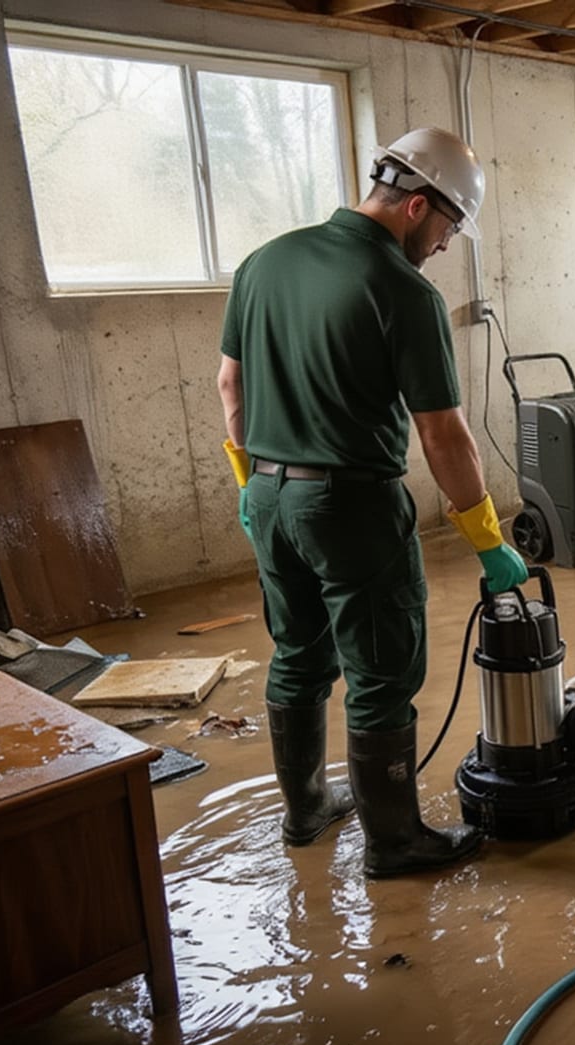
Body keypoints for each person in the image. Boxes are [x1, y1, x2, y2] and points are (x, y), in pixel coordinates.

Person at [217, 127, 529, 879]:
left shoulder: (264, 262)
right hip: (350, 503)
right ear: (418, 204)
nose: (447, 246)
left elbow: (231, 386)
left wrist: (251, 488)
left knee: (297, 655)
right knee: (382, 670)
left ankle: (305, 812)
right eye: (449, 227)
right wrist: (488, 538)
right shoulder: (402, 288)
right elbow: (442, 433)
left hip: (266, 491)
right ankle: (395, 842)